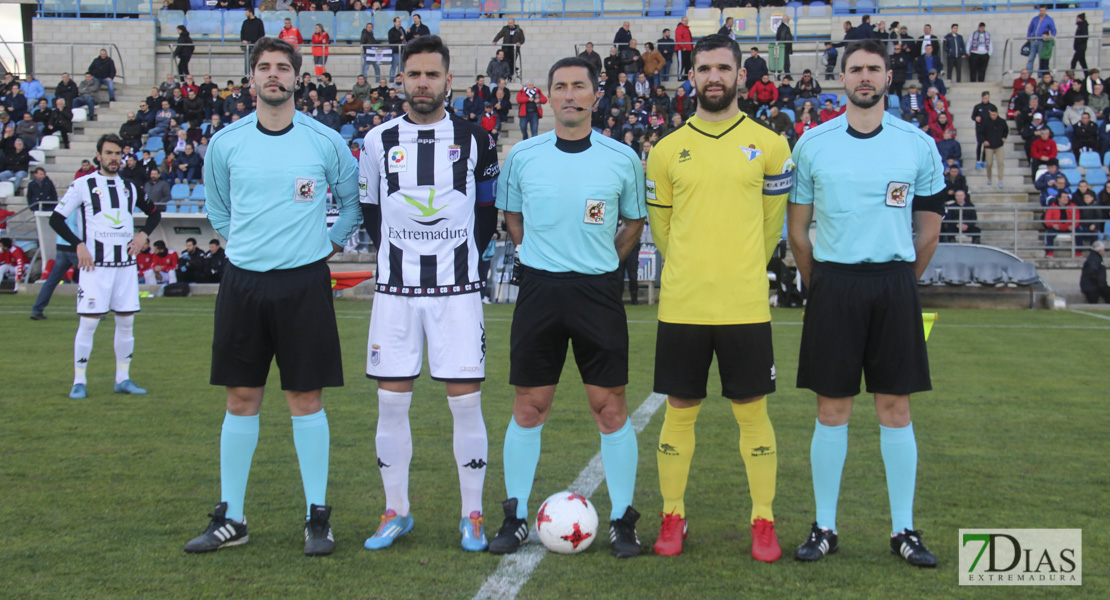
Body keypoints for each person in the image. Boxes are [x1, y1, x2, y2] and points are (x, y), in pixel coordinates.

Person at [183, 37, 361, 557]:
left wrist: (320, 247)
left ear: (297, 78)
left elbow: (350, 207)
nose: (273, 75)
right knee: (241, 398)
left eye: (283, 67)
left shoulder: (324, 141)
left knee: (305, 399)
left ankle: (318, 517)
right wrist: (244, 246)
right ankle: (232, 518)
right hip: (243, 283)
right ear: (252, 78)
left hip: (304, 283)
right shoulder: (226, 142)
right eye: (264, 67)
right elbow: (219, 210)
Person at [787, 39, 945, 569]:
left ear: (888, 75)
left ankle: (904, 530)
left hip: (894, 285)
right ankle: (824, 526)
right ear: (842, 77)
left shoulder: (917, 144)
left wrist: (902, 280)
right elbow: (798, 230)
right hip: (833, 285)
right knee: (831, 409)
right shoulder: (813, 143)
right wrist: (820, 283)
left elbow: (928, 230)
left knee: (895, 409)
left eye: (873, 68)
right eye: (855, 69)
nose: (864, 77)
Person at [488, 55, 646, 559]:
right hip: (540, 292)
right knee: (529, 406)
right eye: (561, 87)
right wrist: (539, 258)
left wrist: (602, 264)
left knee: (610, 406)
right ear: (549, 96)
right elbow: (512, 217)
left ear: (596, 96)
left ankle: (623, 519)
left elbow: (633, 224)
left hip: (597, 293)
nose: (571, 95)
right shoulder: (523, 156)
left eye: (580, 86)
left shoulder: (622, 159)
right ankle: (514, 517)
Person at [646, 33, 789, 562]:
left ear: (740, 77)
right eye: (703, 68)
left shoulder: (770, 145)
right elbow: (662, 229)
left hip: (744, 304)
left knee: (752, 414)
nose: (713, 77)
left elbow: (772, 226)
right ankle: (673, 515)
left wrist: (739, 266)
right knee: (679, 411)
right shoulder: (665, 150)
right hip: (683, 303)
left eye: (722, 68)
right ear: (692, 76)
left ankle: (763, 521)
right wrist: (690, 265)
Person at [358, 35, 500, 553]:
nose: (423, 83)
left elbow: (486, 212)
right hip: (395, 293)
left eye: (432, 75)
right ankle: (395, 510)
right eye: (413, 74)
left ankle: (473, 514)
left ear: (448, 80)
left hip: (457, 293)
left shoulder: (477, 138)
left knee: (465, 405)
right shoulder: (376, 141)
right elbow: (372, 211)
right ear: (401, 80)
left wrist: (456, 256)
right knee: (390, 404)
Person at [49, 133, 161, 399]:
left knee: (127, 322)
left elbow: (154, 213)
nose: (114, 158)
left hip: (125, 267)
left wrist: (143, 234)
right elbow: (56, 219)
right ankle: (79, 381)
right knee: (88, 324)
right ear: (99, 155)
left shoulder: (130, 187)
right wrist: (78, 244)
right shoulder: (83, 185)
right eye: (109, 153)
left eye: (118, 153)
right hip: (95, 268)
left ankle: (122, 379)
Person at [977, 106, 1008, 188]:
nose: (992, 116)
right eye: (991, 115)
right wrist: (984, 141)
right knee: (989, 163)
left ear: (997, 114)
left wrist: (1004, 137)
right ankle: (989, 178)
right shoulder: (986, 122)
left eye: (994, 114)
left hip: (999, 145)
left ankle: (1000, 180)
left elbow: (1006, 130)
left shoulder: (1002, 121)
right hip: (989, 146)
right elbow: (980, 133)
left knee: (1000, 163)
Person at [1027, 6, 1056, 74]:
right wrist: (1029, 37)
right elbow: (1030, 28)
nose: (1041, 12)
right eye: (1040, 10)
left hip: (1042, 42)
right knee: (1031, 58)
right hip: (1034, 41)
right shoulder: (1035, 19)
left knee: (1041, 59)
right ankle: (1028, 74)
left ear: (1046, 11)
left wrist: (1050, 37)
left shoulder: (1049, 20)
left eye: (1043, 10)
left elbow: (1053, 30)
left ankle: (1040, 75)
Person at [240, 9, 265, 76]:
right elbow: (242, 33)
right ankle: (247, 77)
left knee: (256, 62)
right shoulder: (245, 22)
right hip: (247, 46)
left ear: (250, 12)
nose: (245, 13)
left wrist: (257, 42)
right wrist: (243, 40)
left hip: (256, 47)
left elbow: (262, 34)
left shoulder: (258, 22)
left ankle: (256, 76)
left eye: (246, 12)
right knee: (247, 63)